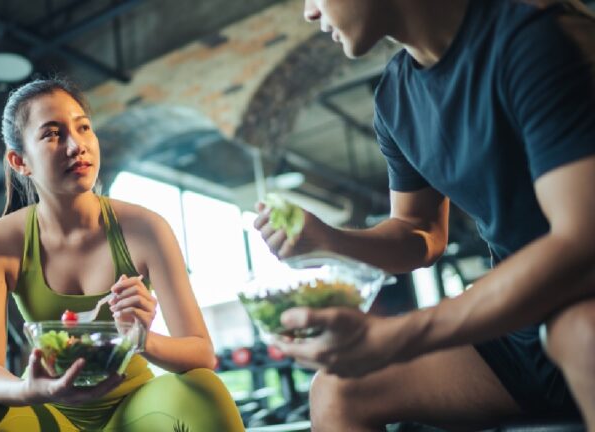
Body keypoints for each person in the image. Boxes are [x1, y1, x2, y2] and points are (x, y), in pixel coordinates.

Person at [254, 0, 595, 430]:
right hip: (524, 326)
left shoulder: (536, 37)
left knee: (584, 334)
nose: (309, 12)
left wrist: (395, 336)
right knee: (339, 389)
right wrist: (329, 241)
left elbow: (581, 244)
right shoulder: (396, 98)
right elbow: (421, 233)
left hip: (581, 302)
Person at [0, 78, 245, 431]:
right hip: (47, 408)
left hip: (135, 406)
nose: (77, 145)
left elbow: (201, 352)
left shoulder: (145, 227)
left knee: (205, 388)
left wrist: (142, 339)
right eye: (53, 134)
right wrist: (28, 389)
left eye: (83, 128)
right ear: (19, 160)